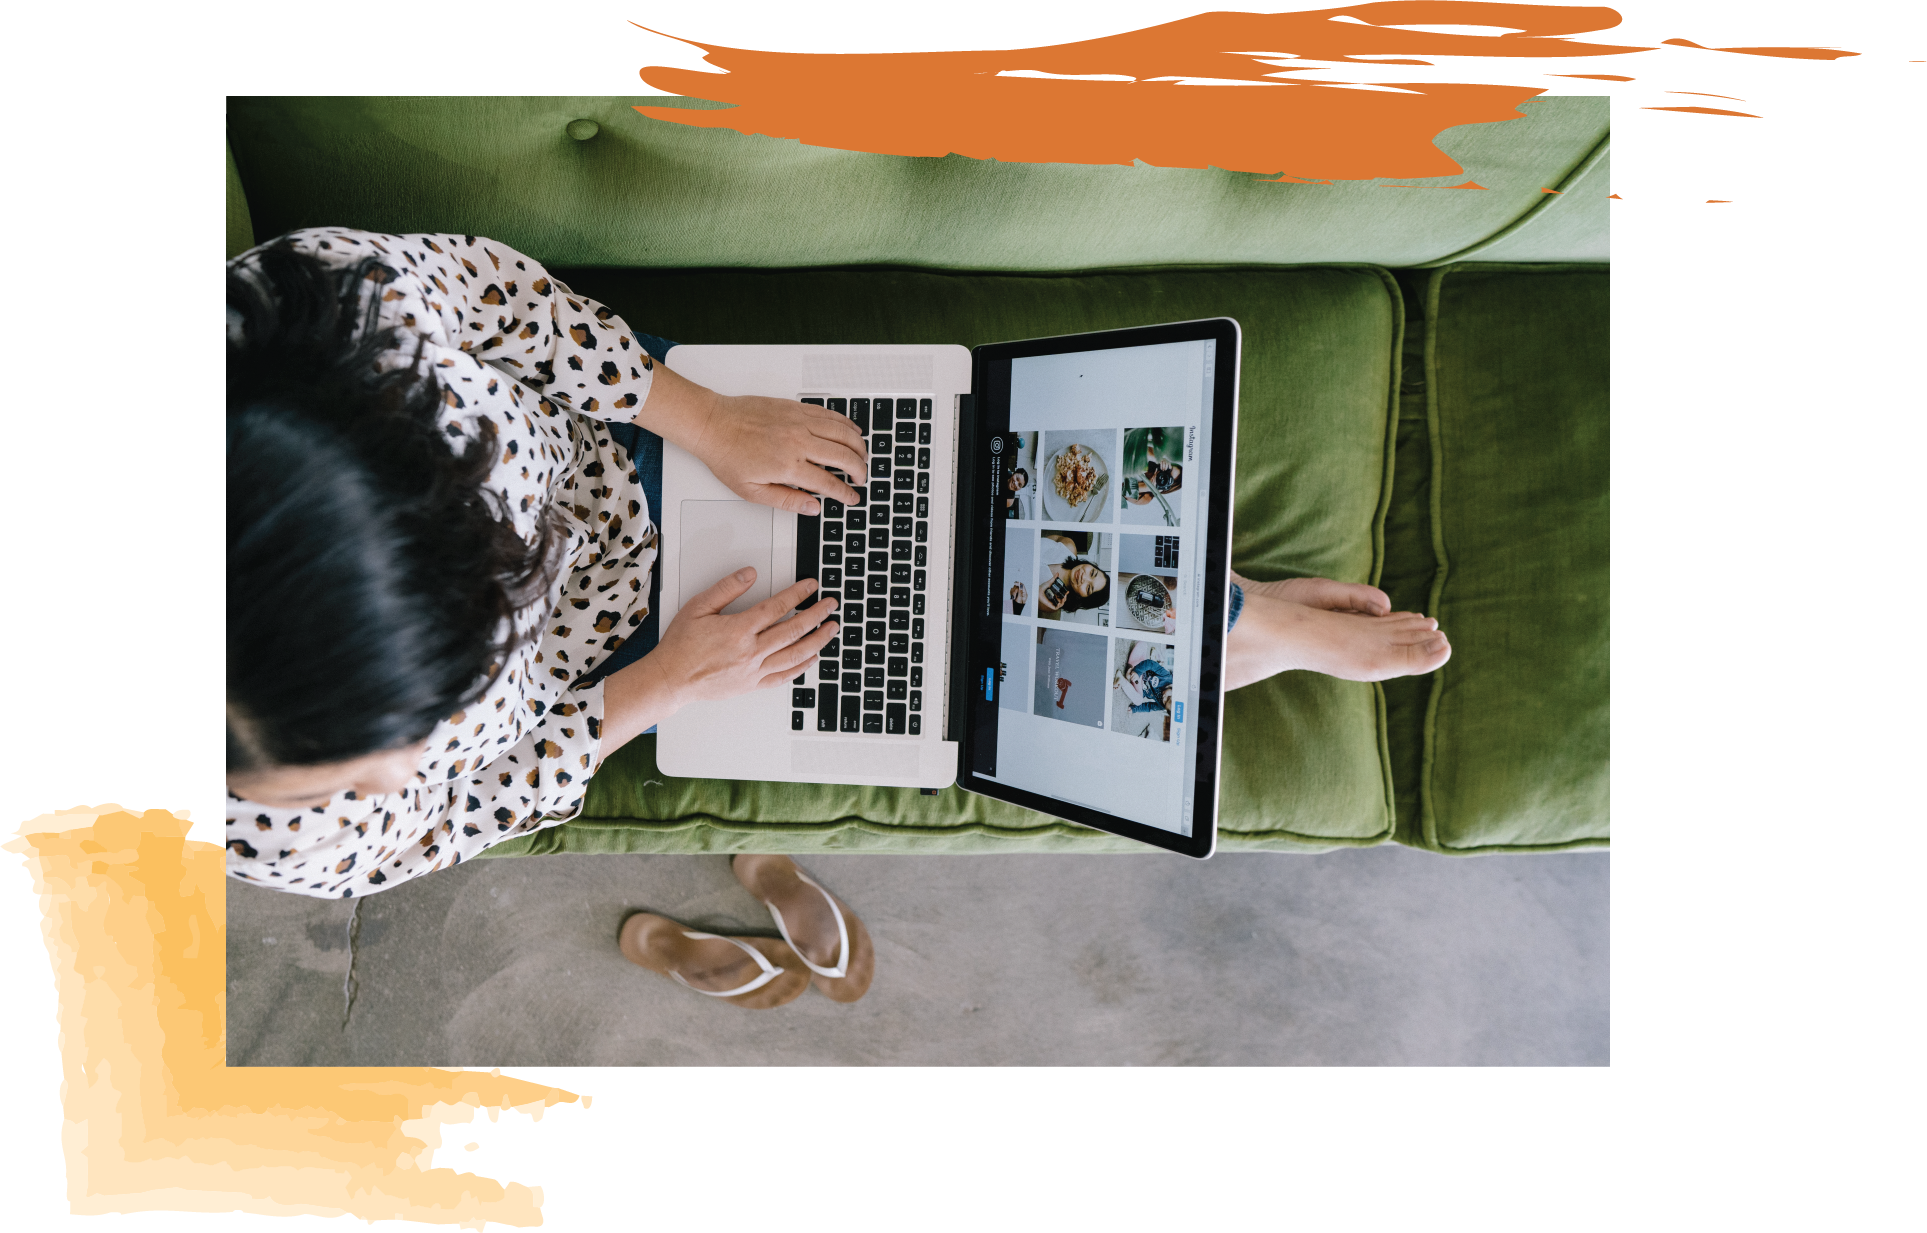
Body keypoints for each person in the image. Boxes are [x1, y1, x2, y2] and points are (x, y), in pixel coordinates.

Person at [225, 226, 1449, 1012]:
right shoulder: (267, 832)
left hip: (639, 443)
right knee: (989, 662)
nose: (404, 769)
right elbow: (451, 819)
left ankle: (1234, 623)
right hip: (624, 657)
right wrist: (655, 690)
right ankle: (1233, 623)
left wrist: (705, 416)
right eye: (363, 770)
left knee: (987, 513)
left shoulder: (329, 314)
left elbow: (521, 314)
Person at [1036, 532, 1109, 617]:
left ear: (1083, 598)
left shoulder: (1051, 601)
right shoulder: (1069, 545)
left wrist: (1038, 592)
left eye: (1088, 588)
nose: (1083, 577)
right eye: (1092, 573)